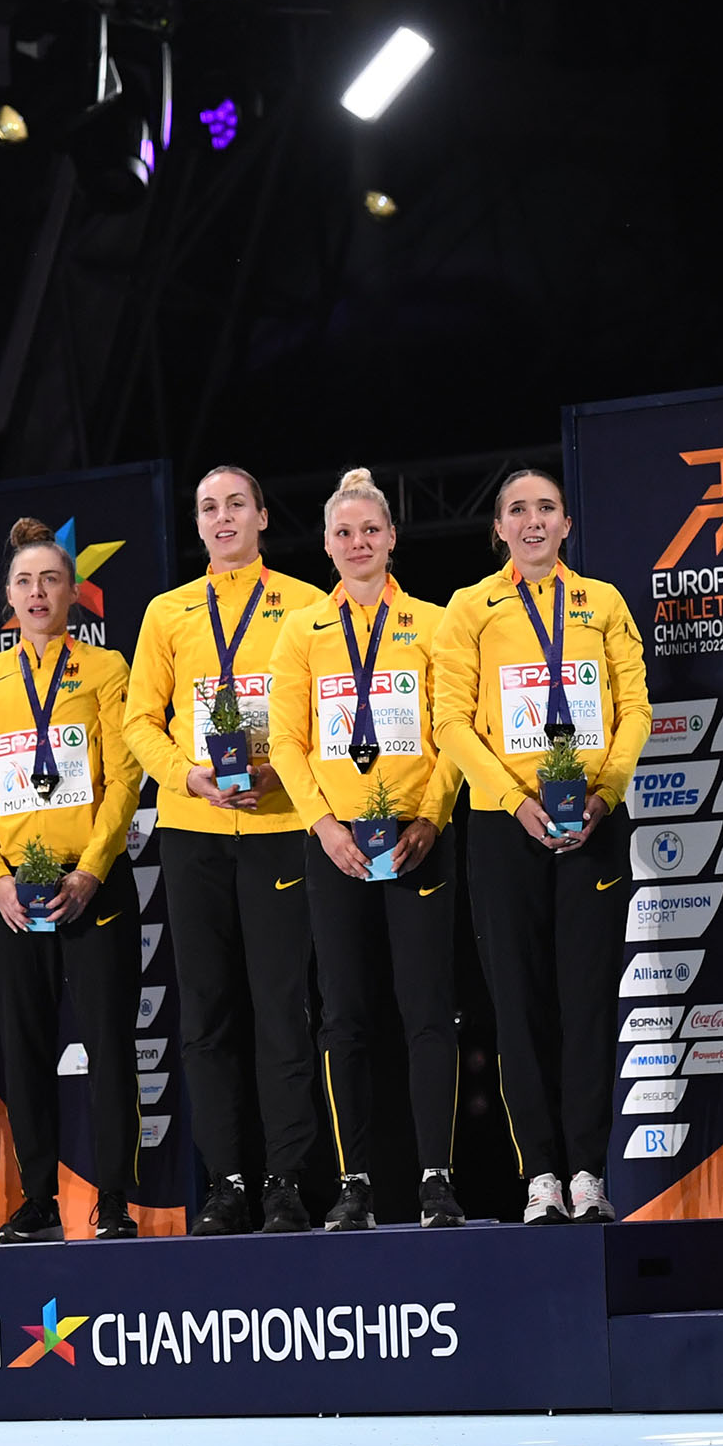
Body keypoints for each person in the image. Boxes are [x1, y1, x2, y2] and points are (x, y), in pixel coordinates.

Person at [432, 467, 650, 1226]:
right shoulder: (469, 608)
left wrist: (605, 794)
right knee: (518, 1006)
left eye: (547, 508)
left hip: (592, 817)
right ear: (498, 528)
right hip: (505, 827)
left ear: (565, 524)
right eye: (517, 510)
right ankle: (541, 1176)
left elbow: (634, 708)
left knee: (588, 1001)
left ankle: (588, 1172)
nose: (533, 521)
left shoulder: (602, 602)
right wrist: (514, 801)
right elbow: (450, 720)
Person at [124, 467, 326, 1234]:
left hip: (279, 825)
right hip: (193, 829)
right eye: (208, 507)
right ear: (198, 523)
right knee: (205, 1014)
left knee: (281, 1009)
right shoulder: (167, 610)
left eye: (236, 503)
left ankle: (284, 1181)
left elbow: (322, 706)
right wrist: (188, 776)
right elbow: (140, 720)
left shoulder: (306, 603)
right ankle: (225, 1181)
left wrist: (281, 770)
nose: (222, 517)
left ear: (262, 516)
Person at [265, 469, 466, 1232]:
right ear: (325, 544)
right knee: (342, 1017)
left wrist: (432, 817)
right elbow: (285, 741)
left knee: (427, 1012)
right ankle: (353, 1183)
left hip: (417, 838)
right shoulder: (301, 631)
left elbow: (452, 726)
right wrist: (323, 826)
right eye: (344, 532)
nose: (358, 543)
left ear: (391, 537)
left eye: (370, 530)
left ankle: (436, 1179)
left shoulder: (434, 624)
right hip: (336, 846)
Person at [0, 521, 144, 1242]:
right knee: (24, 1046)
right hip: (9, 897)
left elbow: (124, 777)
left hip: (91, 885)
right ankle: (37, 1199)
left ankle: (114, 1198)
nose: (37, 593)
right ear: (8, 595)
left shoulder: (107, 669)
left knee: (109, 1044)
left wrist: (92, 869)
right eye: (24, 582)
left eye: (51, 580)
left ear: (74, 593)